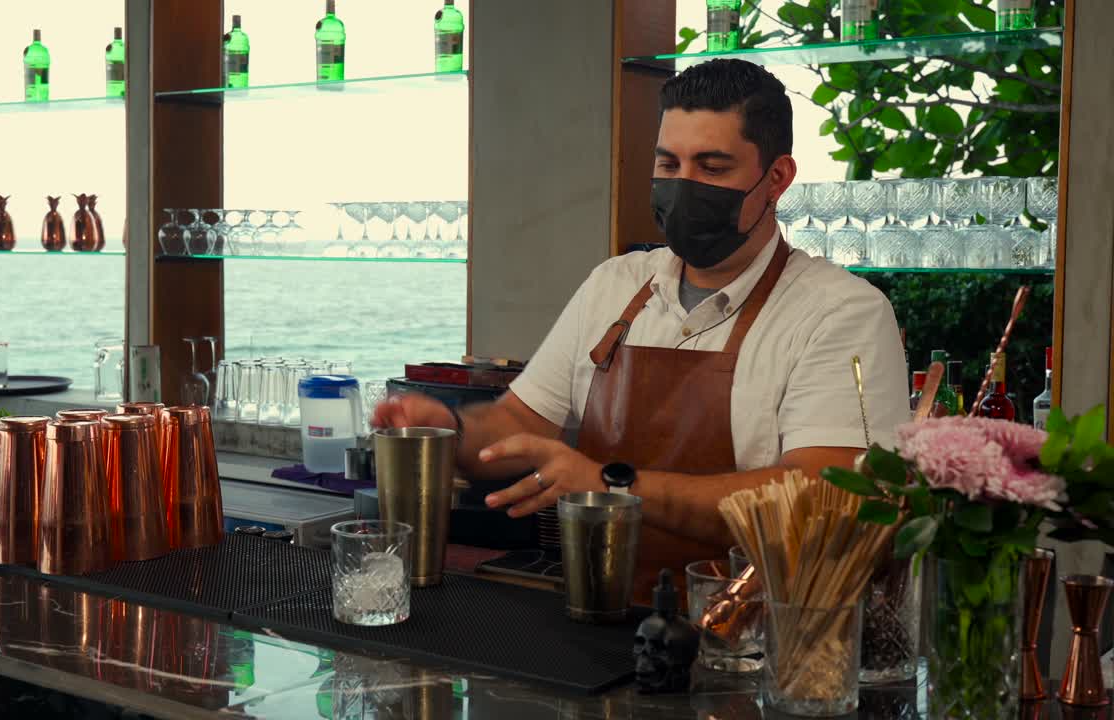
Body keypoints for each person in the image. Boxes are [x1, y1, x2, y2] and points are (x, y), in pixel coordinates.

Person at [373, 59, 909, 600]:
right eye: (669, 164)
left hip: (754, 641)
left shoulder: (840, 313)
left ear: (777, 178)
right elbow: (519, 423)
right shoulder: (616, 285)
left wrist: (613, 487)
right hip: (601, 618)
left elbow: (823, 501)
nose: (684, 186)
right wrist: (450, 430)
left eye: (713, 168)